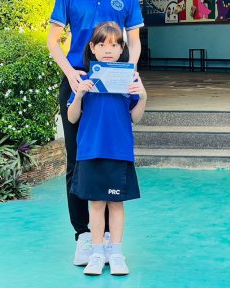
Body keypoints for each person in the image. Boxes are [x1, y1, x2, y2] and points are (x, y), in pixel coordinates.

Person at [46, 0, 144, 266]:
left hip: (115, 86)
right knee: (77, 160)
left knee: (110, 156)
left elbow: (134, 42)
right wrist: (71, 75)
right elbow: (53, 41)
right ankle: (84, 236)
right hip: (78, 82)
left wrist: (128, 72)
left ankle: (109, 244)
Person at [67, 22, 147, 276]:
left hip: (118, 151)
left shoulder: (129, 79)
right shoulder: (84, 79)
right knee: (96, 204)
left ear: (122, 49)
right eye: (102, 44)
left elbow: (135, 117)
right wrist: (79, 94)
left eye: (114, 45)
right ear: (92, 48)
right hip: (90, 151)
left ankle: (117, 253)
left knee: (116, 204)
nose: (108, 50)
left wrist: (143, 96)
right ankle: (96, 253)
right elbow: (71, 117)